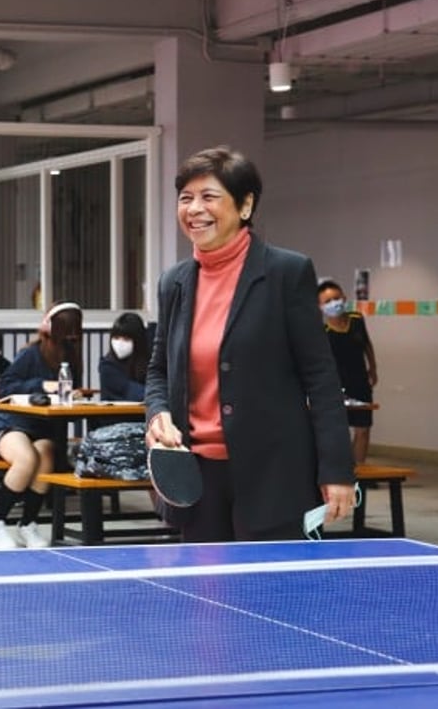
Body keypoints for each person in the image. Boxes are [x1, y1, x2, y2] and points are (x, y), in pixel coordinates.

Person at [145, 146, 355, 543]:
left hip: (274, 475)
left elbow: (321, 377)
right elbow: (159, 370)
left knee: (272, 597)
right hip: (196, 477)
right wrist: (157, 414)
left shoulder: (285, 272)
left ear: (245, 206)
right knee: (206, 600)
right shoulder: (174, 281)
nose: (194, 209)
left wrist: (336, 471)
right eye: (186, 198)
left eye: (209, 197)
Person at [0, 301, 83, 549]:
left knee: (46, 456)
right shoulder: (30, 354)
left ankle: (27, 524)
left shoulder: (71, 356)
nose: (68, 340)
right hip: (10, 424)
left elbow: (71, 387)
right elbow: (5, 386)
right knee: (27, 459)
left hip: (42, 427)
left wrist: (74, 394)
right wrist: (40, 385)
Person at [317, 279, 378, 463]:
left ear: (344, 298)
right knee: (338, 433)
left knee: (363, 429)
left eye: (336, 298)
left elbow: (367, 345)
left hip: (360, 383)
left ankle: (359, 474)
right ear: (320, 306)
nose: (334, 304)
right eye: (327, 301)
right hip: (336, 388)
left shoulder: (357, 320)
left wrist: (373, 368)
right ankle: (341, 473)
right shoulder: (322, 332)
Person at [99, 311, 150, 402]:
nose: (120, 343)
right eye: (116, 338)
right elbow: (133, 392)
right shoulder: (107, 366)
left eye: (126, 339)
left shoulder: (148, 363)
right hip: (117, 414)